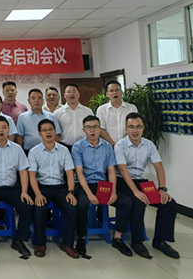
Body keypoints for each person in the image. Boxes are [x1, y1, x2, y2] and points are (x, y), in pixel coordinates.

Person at [114, 113, 180, 259]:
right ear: (126, 129)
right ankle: (137, 241)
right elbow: (123, 170)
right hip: (123, 181)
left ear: (143, 128)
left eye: (138, 127)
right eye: (131, 127)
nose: (135, 130)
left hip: (141, 181)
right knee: (139, 201)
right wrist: (136, 191)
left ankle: (160, 241)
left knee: (169, 204)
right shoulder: (120, 145)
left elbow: (159, 167)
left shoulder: (149, 144)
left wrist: (162, 189)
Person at [72, 115, 132, 257]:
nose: (92, 130)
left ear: (100, 129)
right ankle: (81, 238)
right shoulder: (78, 147)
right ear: (84, 130)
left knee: (126, 202)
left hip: (102, 184)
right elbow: (79, 173)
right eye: (89, 128)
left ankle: (118, 238)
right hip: (84, 184)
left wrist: (113, 191)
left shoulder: (107, 146)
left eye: (95, 127)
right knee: (82, 204)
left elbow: (111, 170)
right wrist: (89, 194)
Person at [0, 116, 34, 257]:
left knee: (27, 206)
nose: (1, 130)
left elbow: (23, 171)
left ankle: (19, 240)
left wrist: (24, 192)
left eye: (4, 127)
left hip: (11, 188)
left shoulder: (17, 149)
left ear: (9, 129)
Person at [28, 119, 79, 258]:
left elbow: (70, 173)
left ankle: (67, 243)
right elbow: (32, 176)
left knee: (71, 207)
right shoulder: (34, 151)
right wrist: (38, 194)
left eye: (50, 129)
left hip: (60, 187)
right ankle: (40, 244)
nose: (48, 132)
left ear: (55, 131)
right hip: (42, 187)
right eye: (44, 130)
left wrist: (70, 192)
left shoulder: (63, 150)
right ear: (40, 134)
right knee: (39, 208)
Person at [16, 89, 61, 153]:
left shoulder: (51, 116)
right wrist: (21, 152)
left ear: (43, 100)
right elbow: (20, 136)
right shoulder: (22, 117)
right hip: (28, 151)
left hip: (49, 151)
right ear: (29, 101)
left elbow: (56, 135)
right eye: (33, 98)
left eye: (39, 98)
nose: (36, 100)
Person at [97, 81, 138, 145]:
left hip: (128, 144)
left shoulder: (131, 108)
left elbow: (134, 127)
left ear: (121, 92)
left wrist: (123, 143)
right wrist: (113, 144)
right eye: (111, 91)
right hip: (109, 146)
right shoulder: (102, 109)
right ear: (107, 94)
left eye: (117, 90)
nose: (114, 93)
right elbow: (101, 129)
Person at [54, 84, 94, 150]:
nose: (71, 94)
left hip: (84, 147)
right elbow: (55, 133)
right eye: (69, 92)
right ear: (64, 95)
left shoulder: (88, 111)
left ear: (79, 94)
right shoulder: (57, 113)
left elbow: (92, 129)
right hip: (65, 147)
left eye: (74, 91)